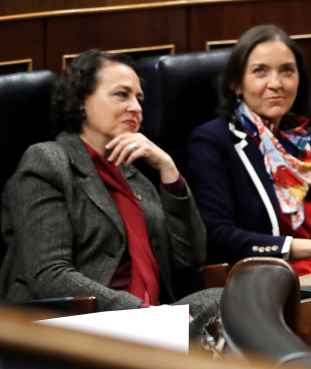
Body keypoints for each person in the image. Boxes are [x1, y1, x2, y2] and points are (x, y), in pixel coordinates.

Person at [0, 50, 219, 338]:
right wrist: (140, 313)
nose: (136, 108)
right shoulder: (48, 161)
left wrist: (169, 172)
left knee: (245, 292)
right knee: (228, 311)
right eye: (121, 95)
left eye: (139, 99)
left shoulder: (137, 179)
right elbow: (49, 275)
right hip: (76, 326)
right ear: (81, 101)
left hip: (152, 321)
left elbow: (191, 258)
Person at [188, 24, 311, 276]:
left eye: (287, 71)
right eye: (260, 72)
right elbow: (218, 236)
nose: (276, 84)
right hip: (262, 281)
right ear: (236, 84)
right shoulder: (213, 142)